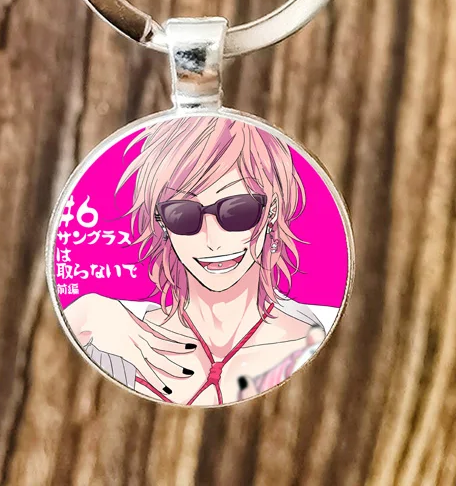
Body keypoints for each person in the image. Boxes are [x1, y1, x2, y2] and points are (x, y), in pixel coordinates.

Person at [64, 116, 338, 405]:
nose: (212, 240)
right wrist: (83, 313)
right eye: (182, 215)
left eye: (237, 211)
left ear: (272, 210)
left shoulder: (319, 334)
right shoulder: (116, 337)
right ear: (162, 224)